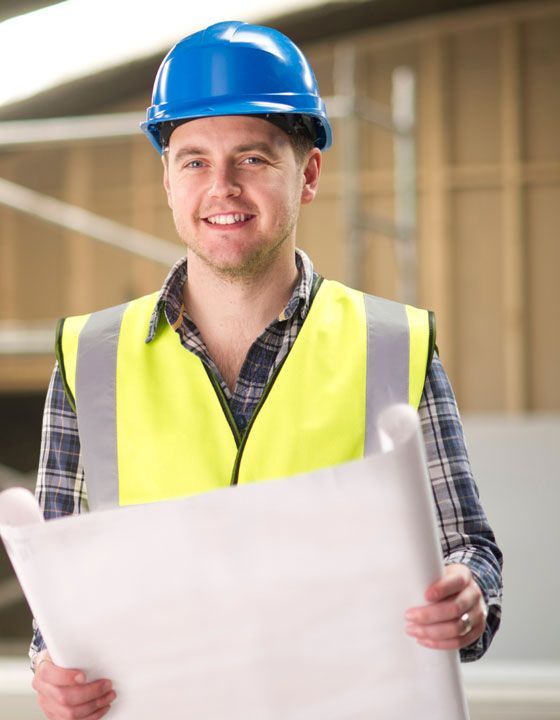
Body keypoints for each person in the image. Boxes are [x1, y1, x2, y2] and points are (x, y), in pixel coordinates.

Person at [28, 21, 503, 720]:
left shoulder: (392, 344)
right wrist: (47, 664)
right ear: (167, 179)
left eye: (251, 159)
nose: (221, 188)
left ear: (307, 174)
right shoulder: (90, 356)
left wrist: (468, 596)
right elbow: (57, 587)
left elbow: (468, 546)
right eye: (193, 161)